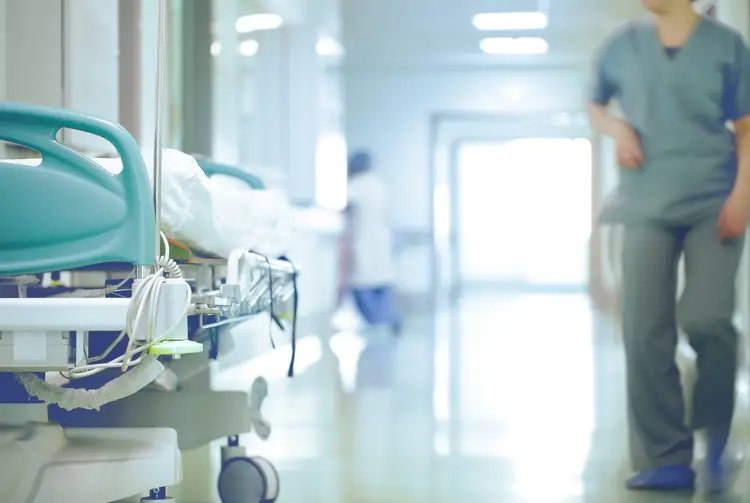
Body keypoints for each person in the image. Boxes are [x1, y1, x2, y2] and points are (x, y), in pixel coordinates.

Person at [587, 0, 750, 493]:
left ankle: (716, 430)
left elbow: (746, 129)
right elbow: (595, 103)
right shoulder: (622, 46)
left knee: (707, 318)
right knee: (643, 329)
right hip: (643, 200)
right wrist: (616, 128)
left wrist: (743, 194)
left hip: (714, 200)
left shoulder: (726, 47)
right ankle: (666, 456)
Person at [339, 150, 402, 335]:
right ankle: (389, 318)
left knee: (362, 282)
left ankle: (377, 321)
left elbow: (344, 208)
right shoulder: (380, 185)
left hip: (363, 240)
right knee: (382, 282)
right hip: (382, 240)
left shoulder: (356, 186)